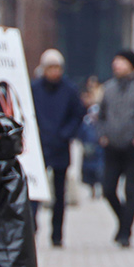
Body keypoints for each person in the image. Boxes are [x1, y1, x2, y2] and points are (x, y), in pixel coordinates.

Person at [98, 48, 134, 247]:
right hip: (112, 146)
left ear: (131, 64)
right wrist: (102, 134)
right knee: (108, 189)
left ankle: (125, 234)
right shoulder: (109, 88)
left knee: (130, 190)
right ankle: (124, 222)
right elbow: (101, 115)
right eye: (115, 61)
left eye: (120, 61)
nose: (116, 65)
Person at [31, 49, 85, 247]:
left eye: (58, 68)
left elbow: (78, 115)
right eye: (51, 68)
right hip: (40, 145)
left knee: (59, 194)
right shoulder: (34, 88)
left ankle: (57, 234)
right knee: (34, 191)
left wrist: (66, 134)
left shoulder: (69, 89)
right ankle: (32, 228)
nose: (54, 72)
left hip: (61, 146)